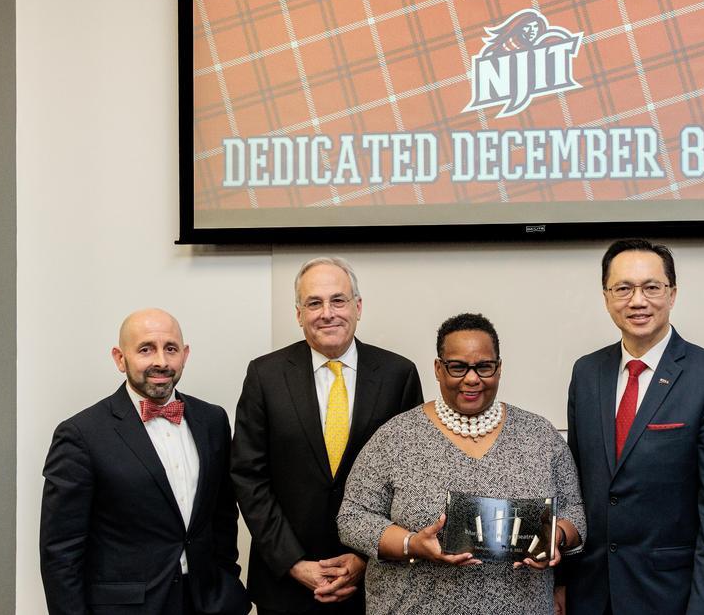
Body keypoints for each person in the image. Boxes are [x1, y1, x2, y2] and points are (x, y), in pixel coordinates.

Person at [336, 313, 586, 614]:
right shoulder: (395, 437)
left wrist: (555, 537)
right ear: (438, 369)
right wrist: (412, 544)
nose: (472, 378)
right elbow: (352, 518)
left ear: (499, 368)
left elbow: (574, 512)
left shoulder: (540, 436)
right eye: (458, 367)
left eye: (484, 366)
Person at [562, 239, 704, 615]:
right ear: (606, 296)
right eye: (623, 289)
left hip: (668, 595)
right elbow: (573, 487)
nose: (637, 301)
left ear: (672, 294)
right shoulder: (586, 372)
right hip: (592, 592)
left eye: (651, 287)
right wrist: (562, 581)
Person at [232, 257, 424, 614]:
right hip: (285, 583)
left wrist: (365, 557)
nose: (327, 313)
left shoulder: (399, 374)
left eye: (338, 300)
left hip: (375, 581)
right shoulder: (265, 375)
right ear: (298, 313)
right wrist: (294, 563)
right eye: (314, 303)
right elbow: (249, 477)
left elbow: (412, 481)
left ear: (358, 306)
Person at [40, 308, 248, 615]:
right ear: (120, 358)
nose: (161, 361)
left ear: (185, 355)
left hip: (207, 601)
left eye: (171, 349)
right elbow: (60, 551)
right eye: (146, 349)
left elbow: (222, 516)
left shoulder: (213, 420)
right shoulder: (81, 434)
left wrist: (226, 580)